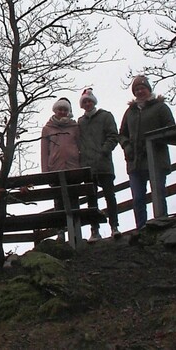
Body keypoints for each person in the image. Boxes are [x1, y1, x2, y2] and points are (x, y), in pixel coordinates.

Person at [119, 75, 175, 230]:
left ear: (148, 89)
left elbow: (171, 128)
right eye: (136, 89)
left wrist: (156, 140)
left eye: (142, 88)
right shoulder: (130, 112)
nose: (139, 91)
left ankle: (162, 223)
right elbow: (122, 133)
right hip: (135, 161)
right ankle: (141, 228)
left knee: (158, 194)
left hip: (156, 159)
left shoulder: (160, 107)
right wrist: (126, 146)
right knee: (137, 198)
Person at [77, 88, 121, 239]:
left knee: (110, 196)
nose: (87, 104)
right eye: (85, 102)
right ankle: (94, 230)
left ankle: (114, 226)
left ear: (93, 102)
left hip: (104, 164)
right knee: (91, 199)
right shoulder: (80, 122)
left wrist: (104, 151)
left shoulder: (106, 116)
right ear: (82, 105)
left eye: (89, 101)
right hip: (87, 166)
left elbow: (113, 136)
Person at [41, 97, 81, 241]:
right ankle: (60, 231)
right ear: (55, 110)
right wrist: (45, 172)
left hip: (73, 167)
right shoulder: (47, 129)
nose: (62, 112)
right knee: (58, 202)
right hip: (55, 168)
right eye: (60, 109)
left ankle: (76, 231)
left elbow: (80, 146)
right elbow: (44, 151)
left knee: (74, 200)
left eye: (65, 110)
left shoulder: (75, 127)